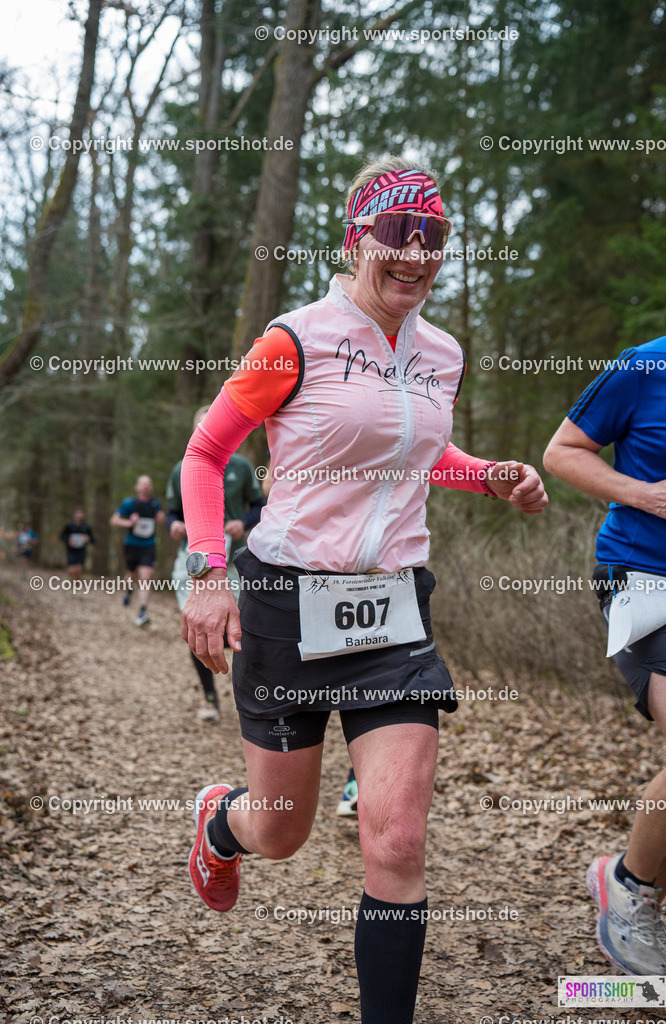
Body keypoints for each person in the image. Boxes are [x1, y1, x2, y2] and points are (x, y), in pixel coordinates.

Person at [181, 157, 548, 1024]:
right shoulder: (295, 340)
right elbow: (205, 454)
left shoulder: (442, 354)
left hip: (391, 610)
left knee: (396, 838)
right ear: (358, 238)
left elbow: (413, 458)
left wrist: (486, 474)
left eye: (435, 240)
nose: (417, 256)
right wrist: (206, 573)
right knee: (281, 830)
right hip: (284, 604)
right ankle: (220, 823)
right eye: (400, 236)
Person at [544, 330, 666, 988]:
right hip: (647, 581)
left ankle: (634, 887)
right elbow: (562, 452)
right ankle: (631, 892)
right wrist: (644, 494)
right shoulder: (649, 365)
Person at [166, 405, 265, 723]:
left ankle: (248, 699)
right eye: (199, 426)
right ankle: (210, 700)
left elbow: (260, 506)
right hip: (192, 561)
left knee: (238, 629)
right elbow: (170, 511)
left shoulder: (241, 466)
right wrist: (175, 524)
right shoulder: (182, 468)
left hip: (234, 561)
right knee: (200, 624)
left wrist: (242, 522)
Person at [110, 476, 165, 627]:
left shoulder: (155, 503)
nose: (146, 486)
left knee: (145, 577)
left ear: (151, 488)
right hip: (132, 544)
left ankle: (142, 611)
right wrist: (129, 522)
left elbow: (161, 518)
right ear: (137, 487)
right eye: (143, 484)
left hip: (149, 544)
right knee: (132, 574)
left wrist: (161, 518)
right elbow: (114, 520)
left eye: (149, 484)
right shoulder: (130, 503)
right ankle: (128, 591)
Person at [60, 507, 95, 582]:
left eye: (80, 514)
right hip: (71, 550)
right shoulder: (69, 526)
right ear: (74, 515)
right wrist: (68, 541)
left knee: (79, 568)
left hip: (81, 550)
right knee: (71, 568)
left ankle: (76, 586)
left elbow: (92, 539)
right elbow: (62, 536)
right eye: (77, 514)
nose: (79, 516)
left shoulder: (86, 527)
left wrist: (88, 539)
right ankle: (70, 579)